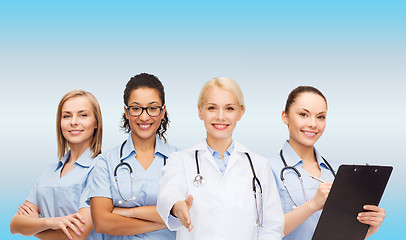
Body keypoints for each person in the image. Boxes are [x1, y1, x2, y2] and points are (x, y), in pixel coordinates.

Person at [157, 77, 284, 240]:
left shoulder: (258, 165)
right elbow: (168, 196)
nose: (220, 116)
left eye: (229, 108)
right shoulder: (180, 161)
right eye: (212, 108)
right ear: (200, 111)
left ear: (240, 112)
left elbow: (273, 226)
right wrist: (178, 208)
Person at [269, 86, 386, 240]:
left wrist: (369, 228)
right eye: (303, 114)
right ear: (285, 117)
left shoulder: (339, 172)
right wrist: (312, 205)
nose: (313, 124)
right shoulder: (265, 169)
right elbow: (261, 231)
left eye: (320, 117)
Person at [87, 73, 178, 240]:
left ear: (163, 111)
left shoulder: (180, 160)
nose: (144, 117)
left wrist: (128, 212)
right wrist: (167, 221)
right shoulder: (106, 162)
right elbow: (102, 223)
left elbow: (187, 212)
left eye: (152, 108)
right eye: (136, 108)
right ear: (126, 112)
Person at [10, 89, 103, 240]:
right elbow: (15, 225)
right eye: (67, 116)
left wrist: (33, 226)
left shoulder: (100, 169)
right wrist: (50, 222)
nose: (73, 121)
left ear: (96, 123)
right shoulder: (48, 172)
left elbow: (77, 233)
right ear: (60, 123)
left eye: (83, 115)